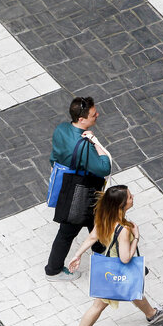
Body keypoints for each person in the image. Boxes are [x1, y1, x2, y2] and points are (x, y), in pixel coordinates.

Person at [66, 185, 163, 326]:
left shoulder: (104, 216)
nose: (132, 197)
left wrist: (77, 255)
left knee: (133, 287)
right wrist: (136, 237)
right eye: (129, 197)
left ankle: (151, 313)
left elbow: (93, 236)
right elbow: (125, 258)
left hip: (110, 267)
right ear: (121, 205)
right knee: (99, 304)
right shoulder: (124, 229)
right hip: (115, 271)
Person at [45, 96, 111, 281]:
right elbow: (104, 167)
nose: (97, 115)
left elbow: (54, 155)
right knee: (67, 232)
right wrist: (97, 144)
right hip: (81, 192)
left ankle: (99, 248)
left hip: (70, 185)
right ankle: (53, 270)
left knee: (97, 219)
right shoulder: (83, 144)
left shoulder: (62, 129)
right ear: (81, 119)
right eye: (93, 114)